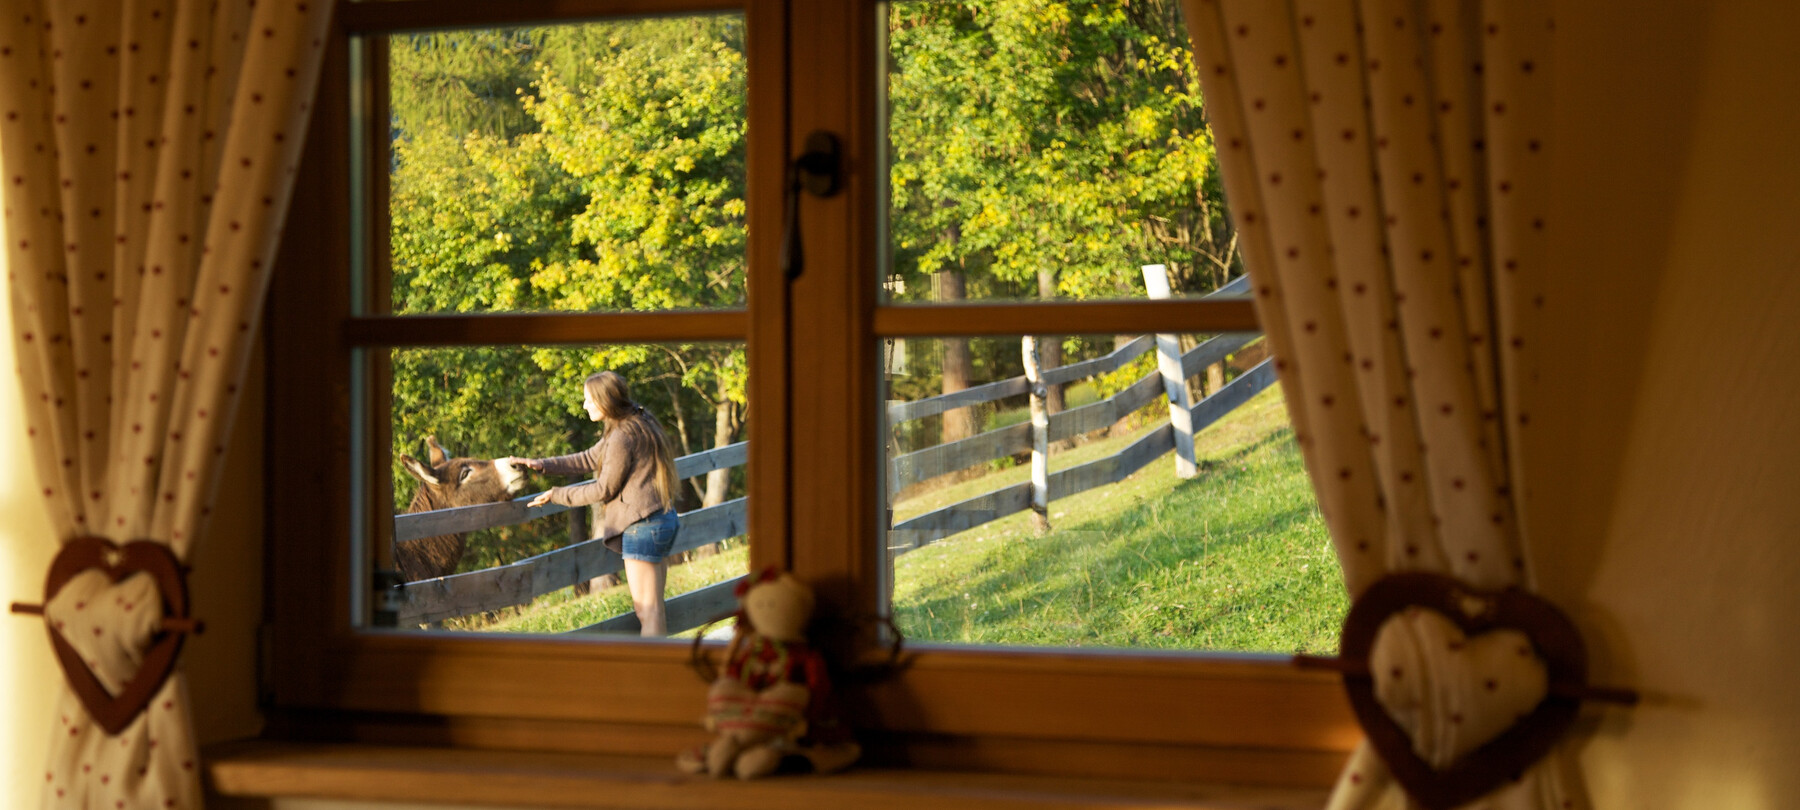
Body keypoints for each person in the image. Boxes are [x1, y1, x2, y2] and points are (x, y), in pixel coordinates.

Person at [500, 371, 682, 636]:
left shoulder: (622, 435)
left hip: (643, 526)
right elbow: (588, 458)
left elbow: (603, 489)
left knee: (648, 611)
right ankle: (662, 671)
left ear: (605, 400)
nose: (585, 405)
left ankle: (652, 675)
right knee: (654, 609)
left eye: (589, 400)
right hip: (658, 520)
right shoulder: (637, 421)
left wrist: (557, 495)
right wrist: (542, 465)